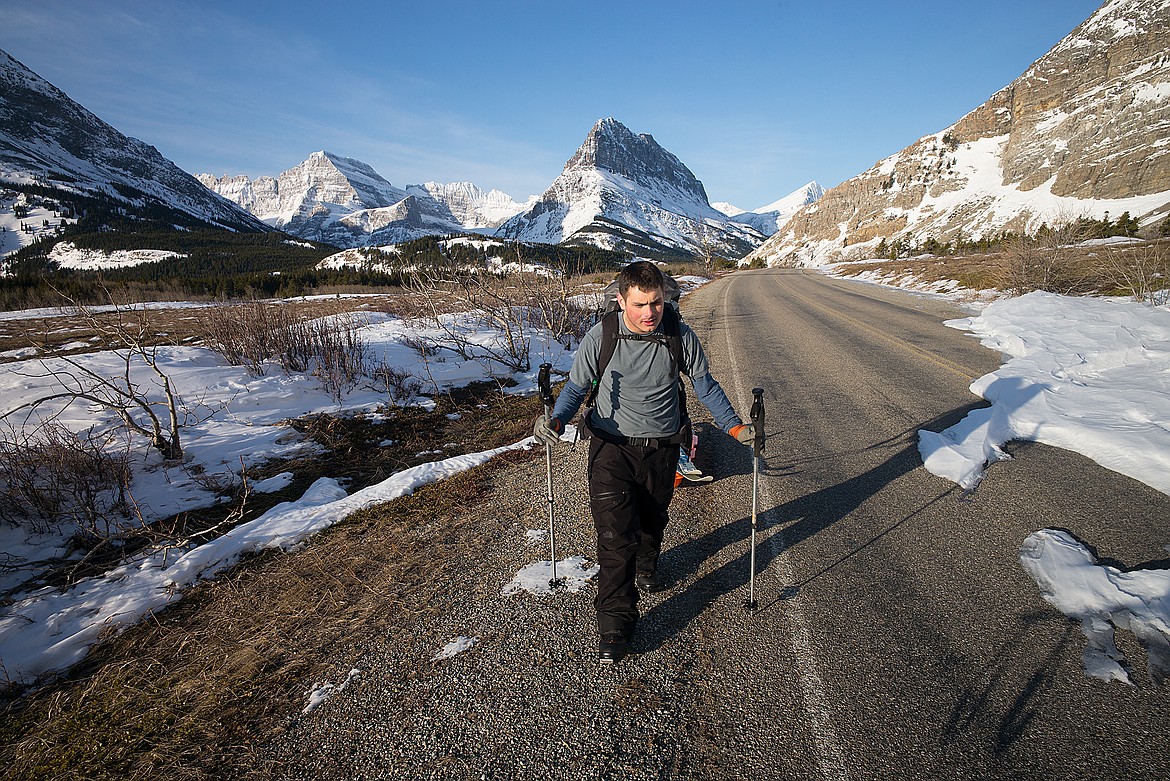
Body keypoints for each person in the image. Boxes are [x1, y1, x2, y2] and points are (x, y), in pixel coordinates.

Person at [534, 261, 754, 664]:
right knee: (616, 535)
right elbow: (577, 387)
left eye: (656, 302)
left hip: (663, 445)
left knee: (652, 517)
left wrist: (735, 427)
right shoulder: (601, 337)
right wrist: (556, 419)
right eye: (640, 304)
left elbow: (705, 384)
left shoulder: (677, 335)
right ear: (621, 301)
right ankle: (615, 622)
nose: (649, 313)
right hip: (610, 446)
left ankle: (649, 562)